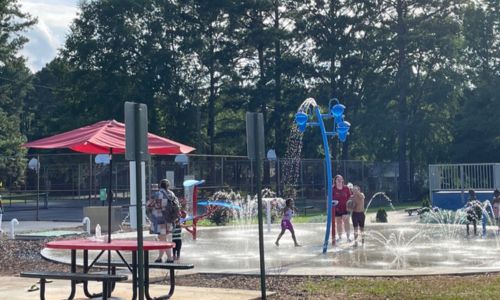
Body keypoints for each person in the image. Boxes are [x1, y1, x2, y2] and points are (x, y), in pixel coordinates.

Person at [153, 179, 177, 263]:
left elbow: (157, 208)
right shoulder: (172, 194)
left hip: (161, 220)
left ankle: (170, 258)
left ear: (160, 185)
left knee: (163, 239)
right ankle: (159, 257)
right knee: (163, 238)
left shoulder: (158, 194)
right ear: (168, 186)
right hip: (170, 220)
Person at [333, 174, 352, 242]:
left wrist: (349, 208)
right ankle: (340, 237)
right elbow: (329, 199)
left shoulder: (346, 188)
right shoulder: (333, 189)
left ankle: (348, 237)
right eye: (338, 179)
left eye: (341, 179)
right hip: (337, 209)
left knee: (346, 222)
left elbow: (350, 198)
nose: (340, 181)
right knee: (339, 223)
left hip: (345, 209)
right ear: (335, 181)